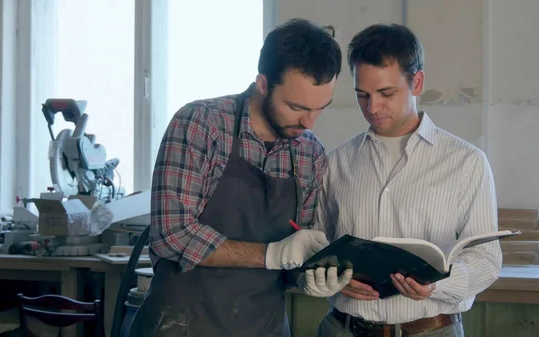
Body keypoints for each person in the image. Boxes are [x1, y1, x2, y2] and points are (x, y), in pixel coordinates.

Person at [131, 18, 352, 337]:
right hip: (182, 326)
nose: (310, 122)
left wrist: (310, 277)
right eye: (296, 107)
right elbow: (172, 236)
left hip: (264, 327)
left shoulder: (309, 153)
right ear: (263, 84)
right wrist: (273, 254)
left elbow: (294, 258)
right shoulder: (200, 125)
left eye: (320, 108)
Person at [314, 23, 503, 337]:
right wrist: (328, 276)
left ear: (417, 82)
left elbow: (486, 260)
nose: (372, 107)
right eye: (362, 95)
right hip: (342, 329)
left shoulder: (467, 162)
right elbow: (315, 247)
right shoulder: (335, 162)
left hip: (431, 330)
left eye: (386, 93)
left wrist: (437, 283)